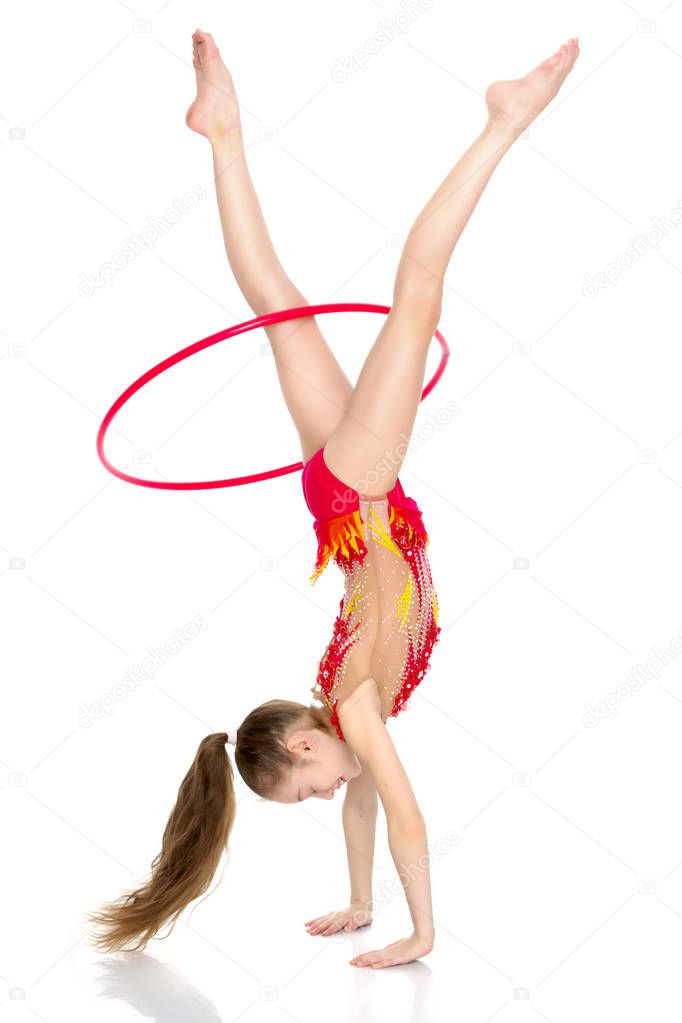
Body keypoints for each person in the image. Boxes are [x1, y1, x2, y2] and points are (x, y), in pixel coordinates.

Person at [85, 29, 580, 966]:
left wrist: (421, 932)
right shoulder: (349, 720)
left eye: (304, 792)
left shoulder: (353, 713)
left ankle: (505, 120)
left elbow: (402, 809)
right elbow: (363, 801)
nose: (324, 799)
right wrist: (358, 900)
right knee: (277, 302)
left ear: (307, 746)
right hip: (340, 496)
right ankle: (222, 130)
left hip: (358, 488)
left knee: (417, 294)